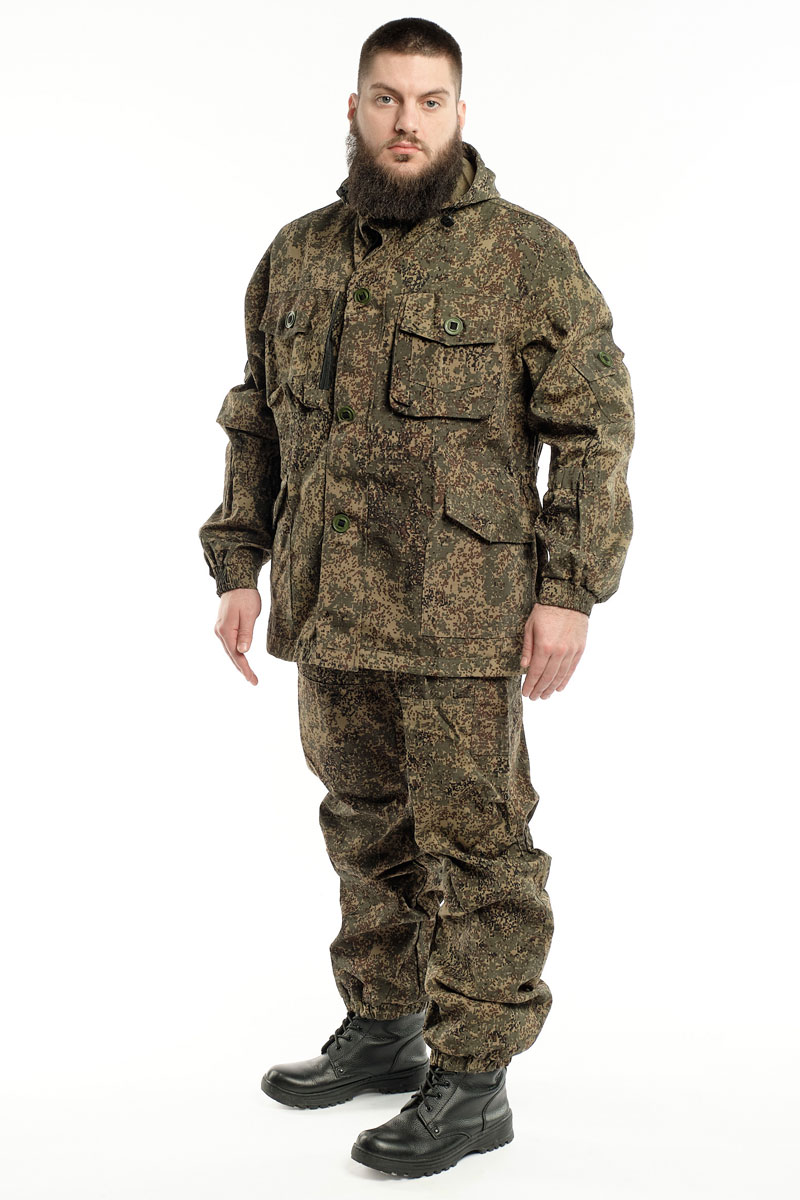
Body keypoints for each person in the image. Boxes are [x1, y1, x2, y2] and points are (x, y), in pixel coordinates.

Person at [198, 16, 634, 1179]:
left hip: (460, 616)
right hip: (329, 605)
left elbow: (592, 428)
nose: (406, 122)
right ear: (353, 110)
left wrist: (569, 590)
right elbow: (256, 419)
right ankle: (384, 1024)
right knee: (361, 824)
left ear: (458, 113)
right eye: (386, 99)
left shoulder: (525, 255)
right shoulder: (297, 255)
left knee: (476, 846)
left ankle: (474, 1078)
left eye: (428, 101)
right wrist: (239, 564)